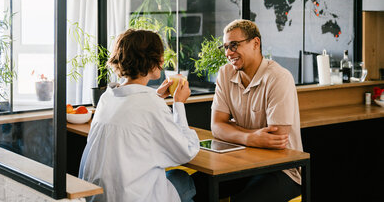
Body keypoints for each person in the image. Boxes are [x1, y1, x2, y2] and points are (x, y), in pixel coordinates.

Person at [79, 29, 200, 202]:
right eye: (161, 54)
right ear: (151, 60)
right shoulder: (150, 105)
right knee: (182, 179)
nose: (163, 59)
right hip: (131, 197)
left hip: (98, 197)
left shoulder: (108, 97)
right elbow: (186, 151)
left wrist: (156, 96)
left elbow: (135, 113)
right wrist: (179, 103)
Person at [204, 19, 303, 202]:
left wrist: (232, 129)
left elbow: (276, 139)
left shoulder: (278, 78)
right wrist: (251, 137)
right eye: (225, 47)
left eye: (234, 45)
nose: (228, 53)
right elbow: (216, 126)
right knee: (197, 189)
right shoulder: (225, 74)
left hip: (281, 170)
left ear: (255, 43)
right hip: (240, 164)